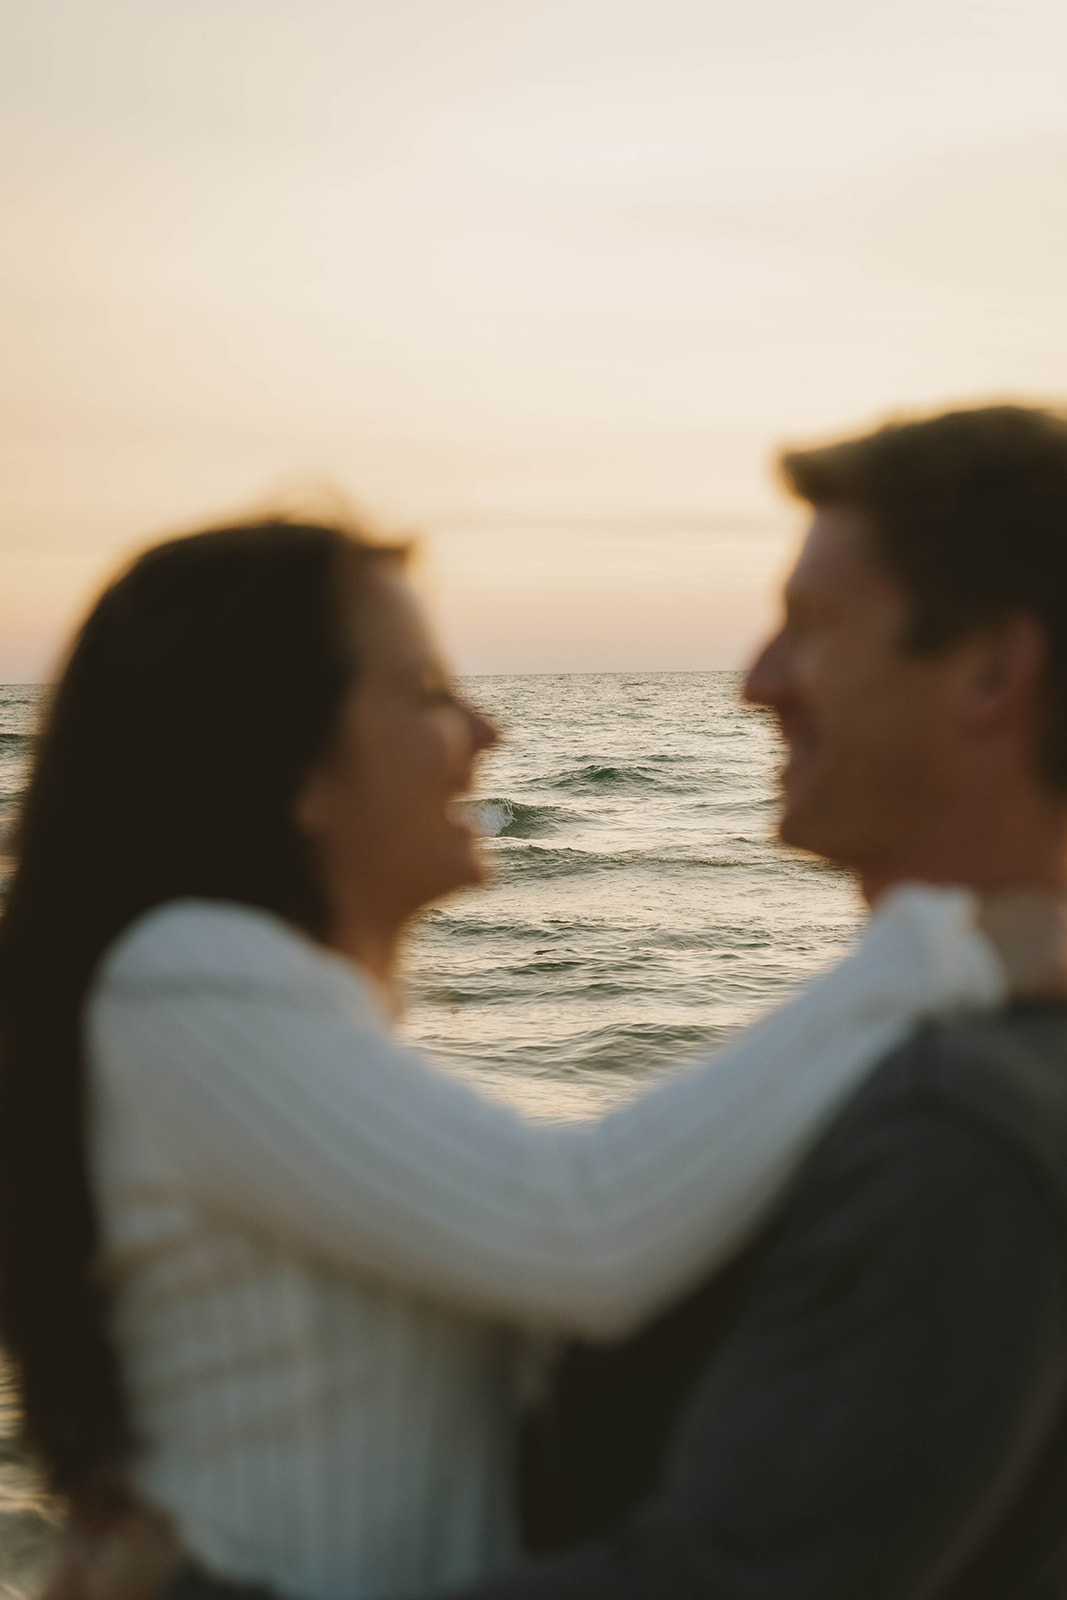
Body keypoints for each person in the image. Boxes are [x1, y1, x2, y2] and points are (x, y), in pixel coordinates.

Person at [0, 510, 1050, 1600]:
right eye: (425, 693)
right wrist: (939, 947)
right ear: (290, 771)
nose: (485, 729)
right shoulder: (191, 975)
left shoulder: (286, 1014)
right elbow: (579, 1229)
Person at [441, 402, 1067, 1600]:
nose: (754, 682)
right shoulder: (957, 1064)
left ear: (992, 669)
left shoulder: (955, 1125)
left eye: (815, 626)